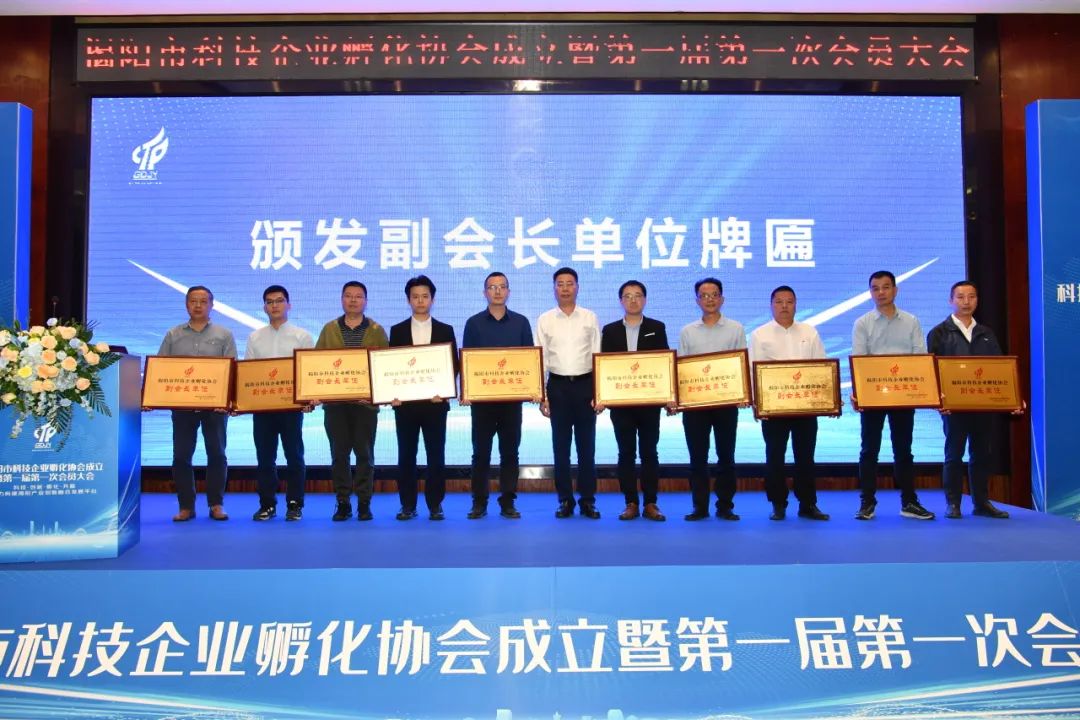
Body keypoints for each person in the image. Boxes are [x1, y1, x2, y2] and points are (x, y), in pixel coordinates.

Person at [852, 270, 935, 521]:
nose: (881, 292)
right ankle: (867, 502)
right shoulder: (862, 323)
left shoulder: (911, 321)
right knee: (869, 450)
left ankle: (909, 501)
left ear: (895, 290)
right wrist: (859, 393)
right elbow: (860, 362)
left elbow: (920, 358)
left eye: (886, 287)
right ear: (870, 293)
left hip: (903, 395)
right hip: (873, 396)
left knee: (904, 450)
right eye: (875, 288)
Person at [926, 280, 1011, 520]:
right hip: (953, 407)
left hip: (982, 405)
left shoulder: (986, 333)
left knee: (981, 454)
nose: (966, 302)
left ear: (977, 300)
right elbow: (931, 369)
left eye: (971, 297)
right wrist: (938, 399)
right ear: (950, 300)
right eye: (960, 297)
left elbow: (1000, 369)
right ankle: (953, 503)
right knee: (954, 455)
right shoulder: (939, 332)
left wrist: (1011, 399)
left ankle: (981, 502)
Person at [748, 285, 830, 521]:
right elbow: (754, 371)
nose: (784, 306)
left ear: (796, 304)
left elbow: (821, 368)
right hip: (774, 408)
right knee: (775, 456)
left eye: (789, 301)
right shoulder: (760, 334)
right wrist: (757, 403)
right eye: (779, 301)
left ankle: (808, 504)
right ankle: (778, 504)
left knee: (805, 456)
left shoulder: (809, 332)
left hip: (805, 406)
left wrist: (828, 400)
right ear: (771, 305)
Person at [158, 285, 237, 522]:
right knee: (181, 455)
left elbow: (232, 370)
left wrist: (229, 400)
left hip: (215, 407)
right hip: (182, 406)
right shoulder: (173, 335)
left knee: (217, 454)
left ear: (212, 305)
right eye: (193, 301)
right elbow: (160, 369)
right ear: (186, 305)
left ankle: (216, 504)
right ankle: (186, 506)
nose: (198, 305)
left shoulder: (224, 334)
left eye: (203, 301)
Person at [461, 271, 534, 520]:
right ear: (485, 293)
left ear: (509, 291)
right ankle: (479, 502)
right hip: (482, 402)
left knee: (510, 453)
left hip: (511, 402)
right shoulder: (473, 323)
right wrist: (467, 390)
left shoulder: (521, 323)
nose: (498, 291)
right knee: (480, 454)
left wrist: (533, 388)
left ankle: (508, 502)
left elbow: (529, 360)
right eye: (492, 287)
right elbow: (467, 361)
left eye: (502, 286)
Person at [597, 280, 670, 522]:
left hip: (649, 403)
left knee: (650, 452)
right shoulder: (610, 330)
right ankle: (630, 502)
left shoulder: (656, 327)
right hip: (621, 404)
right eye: (627, 296)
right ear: (621, 301)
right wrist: (602, 396)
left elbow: (663, 363)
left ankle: (650, 503)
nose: (633, 300)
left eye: (637, 295)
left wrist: (669, 396)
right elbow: (604, 366)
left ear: (645, 300)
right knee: (626, 453)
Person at [316, 281, 389, 522]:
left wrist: (380, 393)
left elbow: (385, 367)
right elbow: (316, 363)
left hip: (365, 405)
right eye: (348, 296)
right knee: (339, 455)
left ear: (365, 301)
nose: (353, 300)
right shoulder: (329, 329)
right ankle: (343, 503)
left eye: (358, 296)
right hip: (335, 405)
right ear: (342, 299)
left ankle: (364, 503)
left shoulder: (377, 330)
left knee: (365, 455)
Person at [388, 275, 458, 521]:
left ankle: (435, 504)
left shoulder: (445, 330)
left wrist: (445, 390)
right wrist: (392, 394)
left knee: (435, 456)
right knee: (406, 456)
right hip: (405, 406)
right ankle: (407, 505)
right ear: (408, 300)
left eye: (425, 296)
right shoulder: (397, 330)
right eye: (415, 296)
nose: (420, 301)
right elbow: (391, 367)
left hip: (435, 404)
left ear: (432, 299)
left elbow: (453, 365)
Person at [535, 267, 602, 519]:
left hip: (585, 386)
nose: (565, 288)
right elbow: (540, 359)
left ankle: (587, 500)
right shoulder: (545, 319)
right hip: (558, 387)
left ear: (577, 287)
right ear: (554, 288)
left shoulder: (590, 317)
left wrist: (599, 392)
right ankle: (565, 500)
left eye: (569, 283)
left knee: (587, 448)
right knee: (560, 448)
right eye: (560, 284)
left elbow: (597, 356)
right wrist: (542, 395)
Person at [678, 278, 746, 521]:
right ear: (697, 300)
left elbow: (741, 363)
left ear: (722, 298)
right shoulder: (687, 331)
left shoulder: (736, 328)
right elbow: (682, 369)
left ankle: (725, 505)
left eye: (714, 294)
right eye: (704, 295)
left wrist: (743, 393)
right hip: (695, 406)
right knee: (697, 458)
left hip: (726, 404)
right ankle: (700, 507)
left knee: (726, 456)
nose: (709, 299)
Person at [244, 284, 314, 522]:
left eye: (279, 300)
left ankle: (295, 504)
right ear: (264, 307)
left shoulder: (302, 336)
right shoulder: (254, 337)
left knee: (294, 456)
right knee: (265, 458)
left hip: (291, 408)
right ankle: (267, 504)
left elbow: (308, 372)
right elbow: (248, 374)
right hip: (263, 409)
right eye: (270, 302)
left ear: (289, 305)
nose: (275, 305)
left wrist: (308, 399)